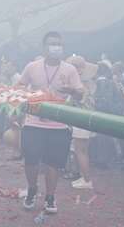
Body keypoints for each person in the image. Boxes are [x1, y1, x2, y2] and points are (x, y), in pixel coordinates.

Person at [17, 31, 83, 213]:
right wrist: (27, 97)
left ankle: (50, 197)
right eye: (52, 44)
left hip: (59, 124)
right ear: (44, 47)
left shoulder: (70, 69)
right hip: (33, 123)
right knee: (30, 159)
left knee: (53, 162)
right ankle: (32, 189)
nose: (56, 48)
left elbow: (80, 93)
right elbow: (20, 86)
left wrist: (71, 90)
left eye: (59, 44)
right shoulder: (32, 66)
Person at [66, 55, 97, 189]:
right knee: (84, 150)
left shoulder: (78, 85)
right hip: (88, 119)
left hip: (81, 119)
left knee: (80, 151)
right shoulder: (88, 82)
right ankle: (84, 177)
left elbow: (73, 101)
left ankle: (87, 180)